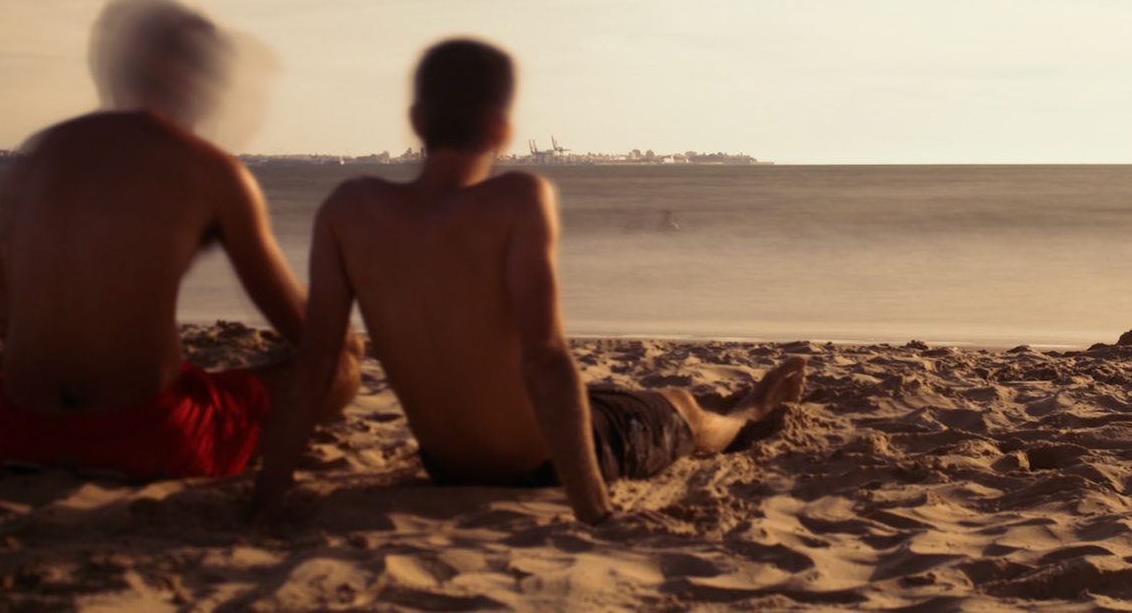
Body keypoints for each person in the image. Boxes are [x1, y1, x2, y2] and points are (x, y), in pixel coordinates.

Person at [253, 38, 804, 522]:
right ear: (503, 127)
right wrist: (590, 503)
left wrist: (267, 498)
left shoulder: (348, 210)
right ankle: (746, 414)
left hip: (444, 465)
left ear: (417, 120)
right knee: (679, 406)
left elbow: (318, 360)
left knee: (599, 397)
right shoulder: (516, 200)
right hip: (533, 466)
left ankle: (695, 410)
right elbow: (545, 356)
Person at [0, 0, 358, 481]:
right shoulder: (212, 172)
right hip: (147, 440)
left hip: (20, 431)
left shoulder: (43, 151)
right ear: (189, 78)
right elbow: (310, 335)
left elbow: (2, 308)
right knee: (344, 363)